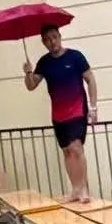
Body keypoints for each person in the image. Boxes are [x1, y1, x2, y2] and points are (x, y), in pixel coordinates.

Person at [23, 25, 98, 204]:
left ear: (60, 36)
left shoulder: (75, 56)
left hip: (77, 109)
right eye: (48, 39)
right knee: (66, 151)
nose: (52, 42)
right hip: (58, 113)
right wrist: (27, 72)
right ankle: (75, 189)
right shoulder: (44, 62)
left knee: (76, 148)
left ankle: (84, 189)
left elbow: (90, 79)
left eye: (55, 37)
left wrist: (93, 107)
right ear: (43, 42)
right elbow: (31, 85)